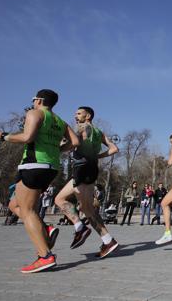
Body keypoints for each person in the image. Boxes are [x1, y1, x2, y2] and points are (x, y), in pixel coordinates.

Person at [0, 89, 79, 273]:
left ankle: (45, 256)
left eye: (33, 100)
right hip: (50, 167)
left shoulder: (35, 113)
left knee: (27, 210)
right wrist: (56, 150)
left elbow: (27, 137)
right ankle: (45, 229)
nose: (33, 102)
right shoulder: (60, 121)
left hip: (33, 165)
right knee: (14, 205)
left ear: (39, 100)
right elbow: (75, 142)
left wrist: (3, 136)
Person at [54, 106, 120, 258]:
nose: (75, 116)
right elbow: (114, 149)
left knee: (84, 208)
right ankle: (107, 240)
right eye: (75, 114)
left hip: (81, 168)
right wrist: (98, 156)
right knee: (80, 206)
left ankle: (80, 227)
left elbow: (74, 142)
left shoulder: (83, 127)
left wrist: (58, 149)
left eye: (79, 113)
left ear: (88, 116)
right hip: (91, 168)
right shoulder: (99, 132)